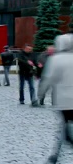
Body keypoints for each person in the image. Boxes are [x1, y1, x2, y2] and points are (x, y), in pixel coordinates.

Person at [37, 34, 73, 164]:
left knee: (65, 127)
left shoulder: (56, 59)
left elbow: (48, 79)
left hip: (63, 100)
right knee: (65, 128)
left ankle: (54, 156)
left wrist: (40, 94)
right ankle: (55, 156)